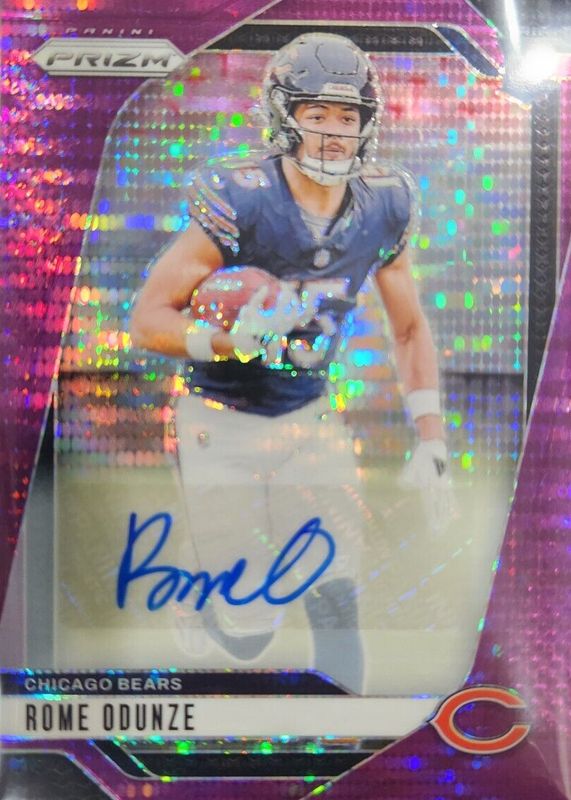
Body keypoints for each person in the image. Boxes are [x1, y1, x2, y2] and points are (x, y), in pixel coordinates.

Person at [130, 32, 448, 693]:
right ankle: (205, 586)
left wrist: (430, 437)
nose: (333, 133)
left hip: (308, 413)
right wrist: (225, 342)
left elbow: (410, 326)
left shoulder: (385, 202)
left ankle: (349, 731)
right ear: (284, 118)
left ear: (366, 124)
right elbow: (149, 318)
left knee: (334, 586)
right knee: (248, 629)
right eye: (316, 113)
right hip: (219, 413)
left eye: (347, 116)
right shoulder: (244, 197)